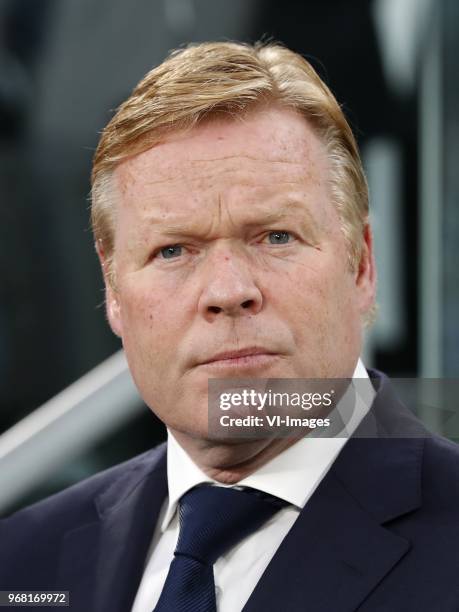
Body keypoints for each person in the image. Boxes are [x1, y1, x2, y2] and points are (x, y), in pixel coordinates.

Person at [1, 41, 459, 612]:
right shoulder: (21, 562)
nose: (227, 291)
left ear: (362, 264)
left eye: (276, 237)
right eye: (173, 251)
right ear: (113, 291)